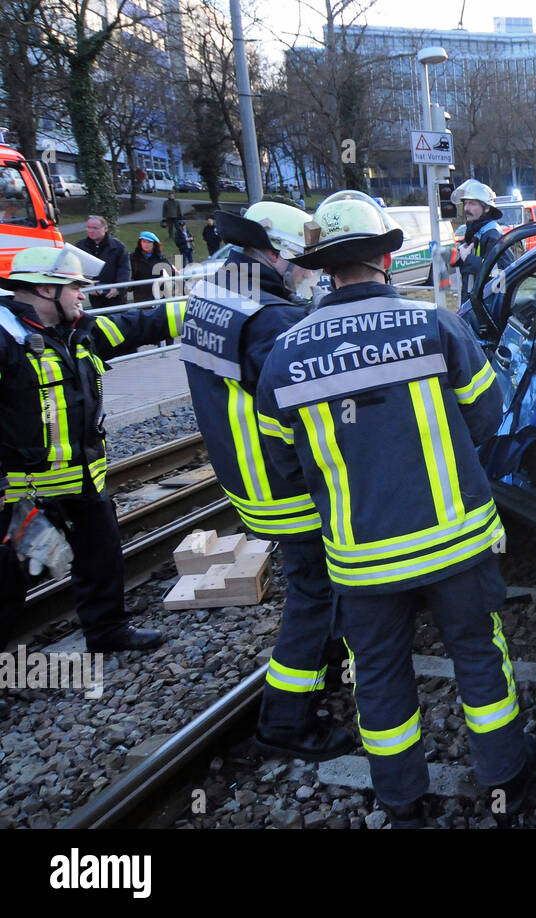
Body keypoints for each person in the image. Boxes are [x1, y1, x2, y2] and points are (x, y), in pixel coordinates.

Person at [256, 190, 536, 827]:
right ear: (387, 255)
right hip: (456, 542)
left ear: (323, 266)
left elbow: (284, 465)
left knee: (377, 676)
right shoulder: (433, 324)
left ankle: (403, 803)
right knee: (478, 656)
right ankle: (506, 781)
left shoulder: (286, 354)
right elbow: (488, 416)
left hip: (361, 562)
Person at [178, 200, 351, 761]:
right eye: (304, 260)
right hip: (287, 485)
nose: (311, 272)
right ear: (275, 251)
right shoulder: (272, 320)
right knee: (315, 592)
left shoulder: (214, 291)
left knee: (313, 587)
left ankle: (326, 675)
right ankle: (287, 721)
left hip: (245, 477)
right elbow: (310, 405)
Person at [0, 246, 185, 652]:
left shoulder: (78, 330)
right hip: (20, 493)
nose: (83, 294)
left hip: (82, 477)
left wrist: (206, 310)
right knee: (7, 584)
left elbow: (141, 325)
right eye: (74, 287)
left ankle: (108, 632)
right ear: (45, 290)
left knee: (101, 559)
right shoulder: (5, 339)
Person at [451, 179, 515, 324]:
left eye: (472, 204)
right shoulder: (476, 231)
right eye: (465, 203)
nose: (467, 208)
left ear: (486, 208)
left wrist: (469, 259)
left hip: (486, 311)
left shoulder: (492, 234)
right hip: (474, 307)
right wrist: (459, 257)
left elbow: (502, 273)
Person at [74, 215, 130, 309]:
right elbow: (75, 268)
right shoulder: (80, 247)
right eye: (88, 227)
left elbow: (124, 269)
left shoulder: (118, 247)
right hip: (94, 294)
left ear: (105, 228)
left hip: (115, 294)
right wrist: (87, 284)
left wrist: (119, 287)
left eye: (95, 228)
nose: (90, 230)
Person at [129, 231, 173, 303]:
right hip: (141, 296)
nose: (146, 244)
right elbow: (130, 274)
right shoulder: (133, 258)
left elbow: (171, 273)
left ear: (154, 244)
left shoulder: (161, 258)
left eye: (149, 242)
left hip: (159, 296)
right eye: (143, 241)